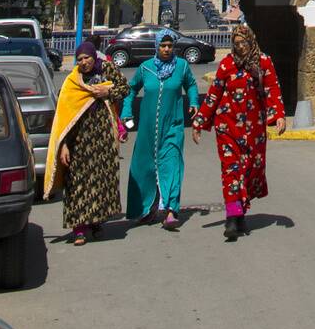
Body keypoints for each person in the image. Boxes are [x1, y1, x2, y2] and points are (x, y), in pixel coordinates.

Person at [192, 24, 285, 239]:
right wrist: (199, 122)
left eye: (243, 43)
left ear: (251, 42)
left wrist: (279, 115)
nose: (240, 47)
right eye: (237, 44)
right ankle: (232, 219)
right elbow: (214, 94)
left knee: (251, 168)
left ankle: (241, 210)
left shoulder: (263, 62)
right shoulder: (227, 65)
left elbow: (273, 88)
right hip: (228, 126)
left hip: (254, 129)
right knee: (231, 171)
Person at [43, 36, 129, 243]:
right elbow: (64, 117)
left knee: (100, 181)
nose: (83, 62)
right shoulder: (73, 81)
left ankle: (96, 222)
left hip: (102, 139)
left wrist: (108, 91)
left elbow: (125, 88)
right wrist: (63, 145)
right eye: (79, 59)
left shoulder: (106, 70)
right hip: (78, 142)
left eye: (86, 58)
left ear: (93, 56)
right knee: (77, 184)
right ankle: (79, 229)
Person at [121, 29, 200, 231]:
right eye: (163, 46)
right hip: (147, 130)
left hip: (172, 126)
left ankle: (171, 210)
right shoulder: (145, 69)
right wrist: (127, 111)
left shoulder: (181, 67)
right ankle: (147, 209)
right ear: (157, 46)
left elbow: (191, 85)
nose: (166, 49)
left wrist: (193, 101)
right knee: (143, 168)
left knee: (172, 165)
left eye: (170, 46)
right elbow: (131, 89)